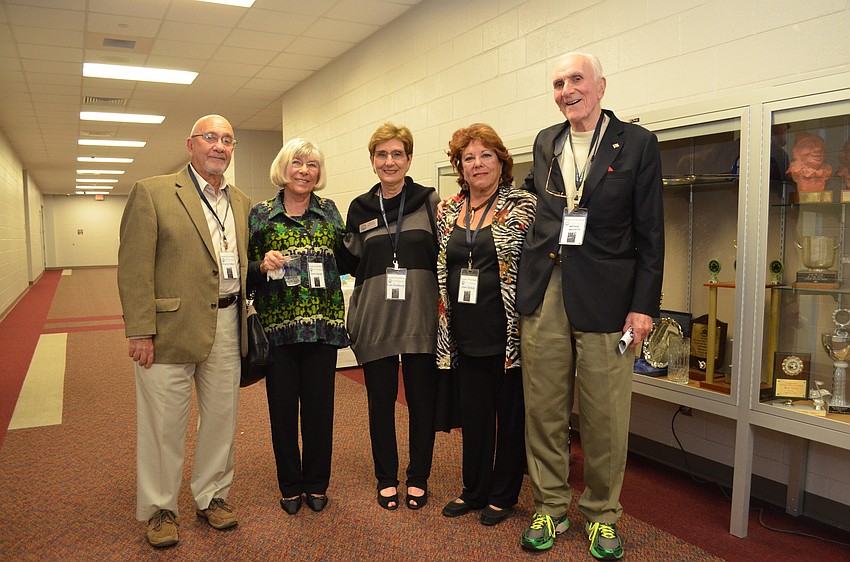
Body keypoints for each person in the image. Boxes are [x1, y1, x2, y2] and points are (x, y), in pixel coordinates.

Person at [515, 53, 664, 560]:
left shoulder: (638, 144)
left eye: (576, 79)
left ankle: (602, 514)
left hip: (608, 295)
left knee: (604, 413)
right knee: (544, 408)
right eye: (558, 83)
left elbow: (651, 233)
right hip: (546, 288)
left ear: (600, 85)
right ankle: (550, 507)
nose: (566, 90)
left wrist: (643, 307)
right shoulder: (545, 141)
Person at [118, 114, 250, 548]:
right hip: (167, 329)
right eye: (210, 137)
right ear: (190, 144)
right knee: (163, 424)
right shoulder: (153, 191)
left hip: (228, 322)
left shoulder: (243, 202)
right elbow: (134, 268)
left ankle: (212, 496)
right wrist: (139, 330)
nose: (219, 146)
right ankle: (160, 508)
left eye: (227, 140)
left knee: (221, 419)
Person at [436, 124, 536, 526]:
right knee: (475, 418)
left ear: (501, 161)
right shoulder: (448, 209)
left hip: (509, 333)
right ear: (460, 166)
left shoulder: (523, 204)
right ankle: (474, 490)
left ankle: (503, 493)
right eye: (469, 157)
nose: (477, 164)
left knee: (510, 418)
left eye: (486, 156)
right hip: (463, 334)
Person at [340, 123, 440, 511]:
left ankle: (418, 477)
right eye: (382, 155)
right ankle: (386, 477)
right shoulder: (360, 208)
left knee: (421, 403)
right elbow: (348, 260)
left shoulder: (429, 201)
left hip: (420, 320)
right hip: (376, 320)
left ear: (409, 159)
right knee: (380, 404)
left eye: (397, 154)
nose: (389, 161)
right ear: (372, 161)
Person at [248, 138, 349, 515]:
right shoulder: (260, 215)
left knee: (320, 412)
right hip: (278, 331)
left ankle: (317, 484)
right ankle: (290, 486)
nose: (305, 170)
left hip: (321, 329)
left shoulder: (329, 211)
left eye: (312, 165)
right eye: (297, 163)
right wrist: (261, 263)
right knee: (283, 412)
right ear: (283, 167)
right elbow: (242, 270)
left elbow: (347, 257)